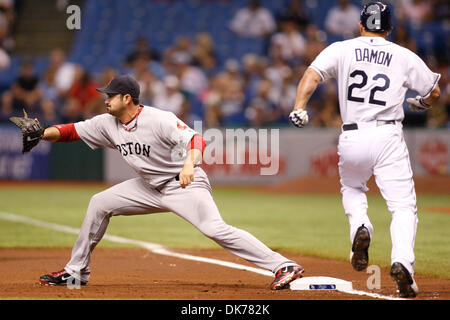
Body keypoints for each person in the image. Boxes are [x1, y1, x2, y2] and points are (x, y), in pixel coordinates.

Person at [38, 75, 304, 290]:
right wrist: (41, 134)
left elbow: (196, 140)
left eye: (110, 95)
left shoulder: (158, 119)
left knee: (214, 228)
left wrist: (189, 164)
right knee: (100, 203)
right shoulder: (107, 123)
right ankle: (76, 272)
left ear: (126, 98)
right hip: (147, 187)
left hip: (183, 183)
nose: (105, 99)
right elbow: (70, 132)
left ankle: (284, 265)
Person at [288, 2, 441, 298]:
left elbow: (312, 74)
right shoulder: (403, 55)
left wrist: (299, 107)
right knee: (402, 206)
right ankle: (402, 262)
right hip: (388, 135)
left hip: (352, 135)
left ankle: (361, 226)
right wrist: (422, 104)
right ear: (389, 28)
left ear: (361, 25)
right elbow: (433, 91)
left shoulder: (342, 48)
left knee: (352, 187)